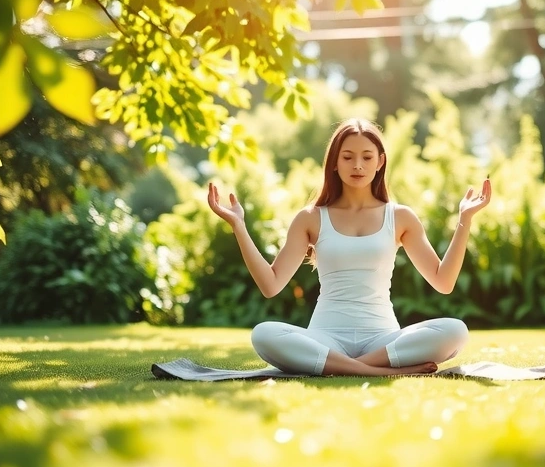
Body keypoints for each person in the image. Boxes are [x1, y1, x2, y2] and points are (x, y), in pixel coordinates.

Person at [207, 118, 492, 376]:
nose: (358, 165)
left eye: (367, 157)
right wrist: (239, 227)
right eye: (348, 157)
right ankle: (378, 371)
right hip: (325, 337)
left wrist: (464, 219)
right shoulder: (311, 217)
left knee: (455, 330)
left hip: (383, 338)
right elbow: (271, 285)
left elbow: (443, 281)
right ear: (334, 162)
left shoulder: (400, 216)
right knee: (264, 334)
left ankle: (346, 366)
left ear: (380, 161)